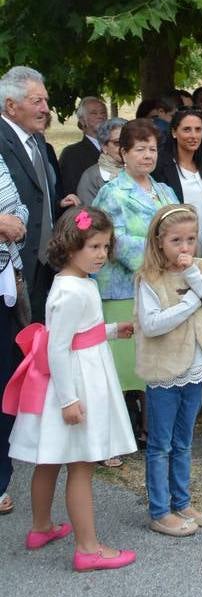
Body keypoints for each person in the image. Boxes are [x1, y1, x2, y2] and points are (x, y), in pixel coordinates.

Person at [4, 206, 136, 570]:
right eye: (93, 246)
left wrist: (111, 330)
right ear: (69, 246)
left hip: (77, 373)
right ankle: (88, 548)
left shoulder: (77, 283)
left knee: (50, 460)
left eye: (106, 247)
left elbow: (81, 333)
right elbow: (58, 347)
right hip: (75, 382)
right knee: (81, 464)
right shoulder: (70, 291)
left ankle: (41, 526)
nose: (101, 254)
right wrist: (69, 400)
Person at [134, 203, 202, 537]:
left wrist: (193, 277)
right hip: (165, 370)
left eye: (190, 239)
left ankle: (182, 500)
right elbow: (152, 324)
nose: (185, 247)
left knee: (184, 439)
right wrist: (190, 303)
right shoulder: (149, 277)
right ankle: (160, 510)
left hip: (198, 367)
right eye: (177, 240)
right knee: (160, 444)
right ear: (160, 242)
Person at [93, 119, 178, 441]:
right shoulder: (112, 192)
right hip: (122, 288)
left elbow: (179, 229)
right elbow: (115, 240)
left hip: (160, 286)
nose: (147, 156)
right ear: (123, 153)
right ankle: (108, 438)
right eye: (139, 149)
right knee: (120, 368)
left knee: (151, 365)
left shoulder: (164, 190)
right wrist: (159, 257)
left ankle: (148, 430)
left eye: (152, 149)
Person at [0, 65, 57, 321]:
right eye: (37, 101)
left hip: (45, 265)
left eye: (46, 100)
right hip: (10, 266)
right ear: (11, 106)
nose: (46, 108)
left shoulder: (39, 141)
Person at [0, 152, 28, 515]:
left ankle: (0, 477)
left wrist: (12, 222)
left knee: (3, 377)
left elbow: (19, 208)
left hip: (4, 281)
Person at [154, 108, 202, 249]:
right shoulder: (161, 166)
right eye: (187, 129)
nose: (194, 135)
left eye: (198, 129)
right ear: (174, 132)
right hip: (176, 246)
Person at [57, 97, 108, 202]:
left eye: (103, 113)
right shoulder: (71, 154)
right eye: (94, 113)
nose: (100, 116)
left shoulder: (117, 149)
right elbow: (71, 193)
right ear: (82, 120)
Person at [75, 117, 125, 208]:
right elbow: (90, 215)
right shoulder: (91, 176)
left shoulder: (138, 170)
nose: (123, 147)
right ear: (104, 146)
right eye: (117, 143)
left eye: (127, 141)